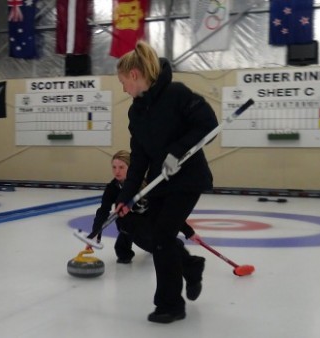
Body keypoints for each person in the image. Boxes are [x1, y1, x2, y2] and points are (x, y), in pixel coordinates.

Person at [114, 40, 218, 324]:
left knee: (161, 236)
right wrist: (126, 196)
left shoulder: (177, 94)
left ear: (134, 75)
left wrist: (177, 151)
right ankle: (191, 265)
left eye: (123, 82)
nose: (123, 88)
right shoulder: (136, 111)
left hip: (187, 178)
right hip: (161, 181)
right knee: (153, 234)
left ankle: (170, 304)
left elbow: (209, 125)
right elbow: (140, 157)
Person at [89, 150, 205, 300]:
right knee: (126, 221)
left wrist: (189, 232)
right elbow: (103, 210)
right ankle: (124, 251)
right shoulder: (112, 188)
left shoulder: (149, 186)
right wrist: (94, 233)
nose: (116, 171)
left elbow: (166, 212)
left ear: (131, 168)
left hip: (149, 225)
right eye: (114, 167)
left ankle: (190, 265)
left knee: (161, 246)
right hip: (133, 225)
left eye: (121, 167)